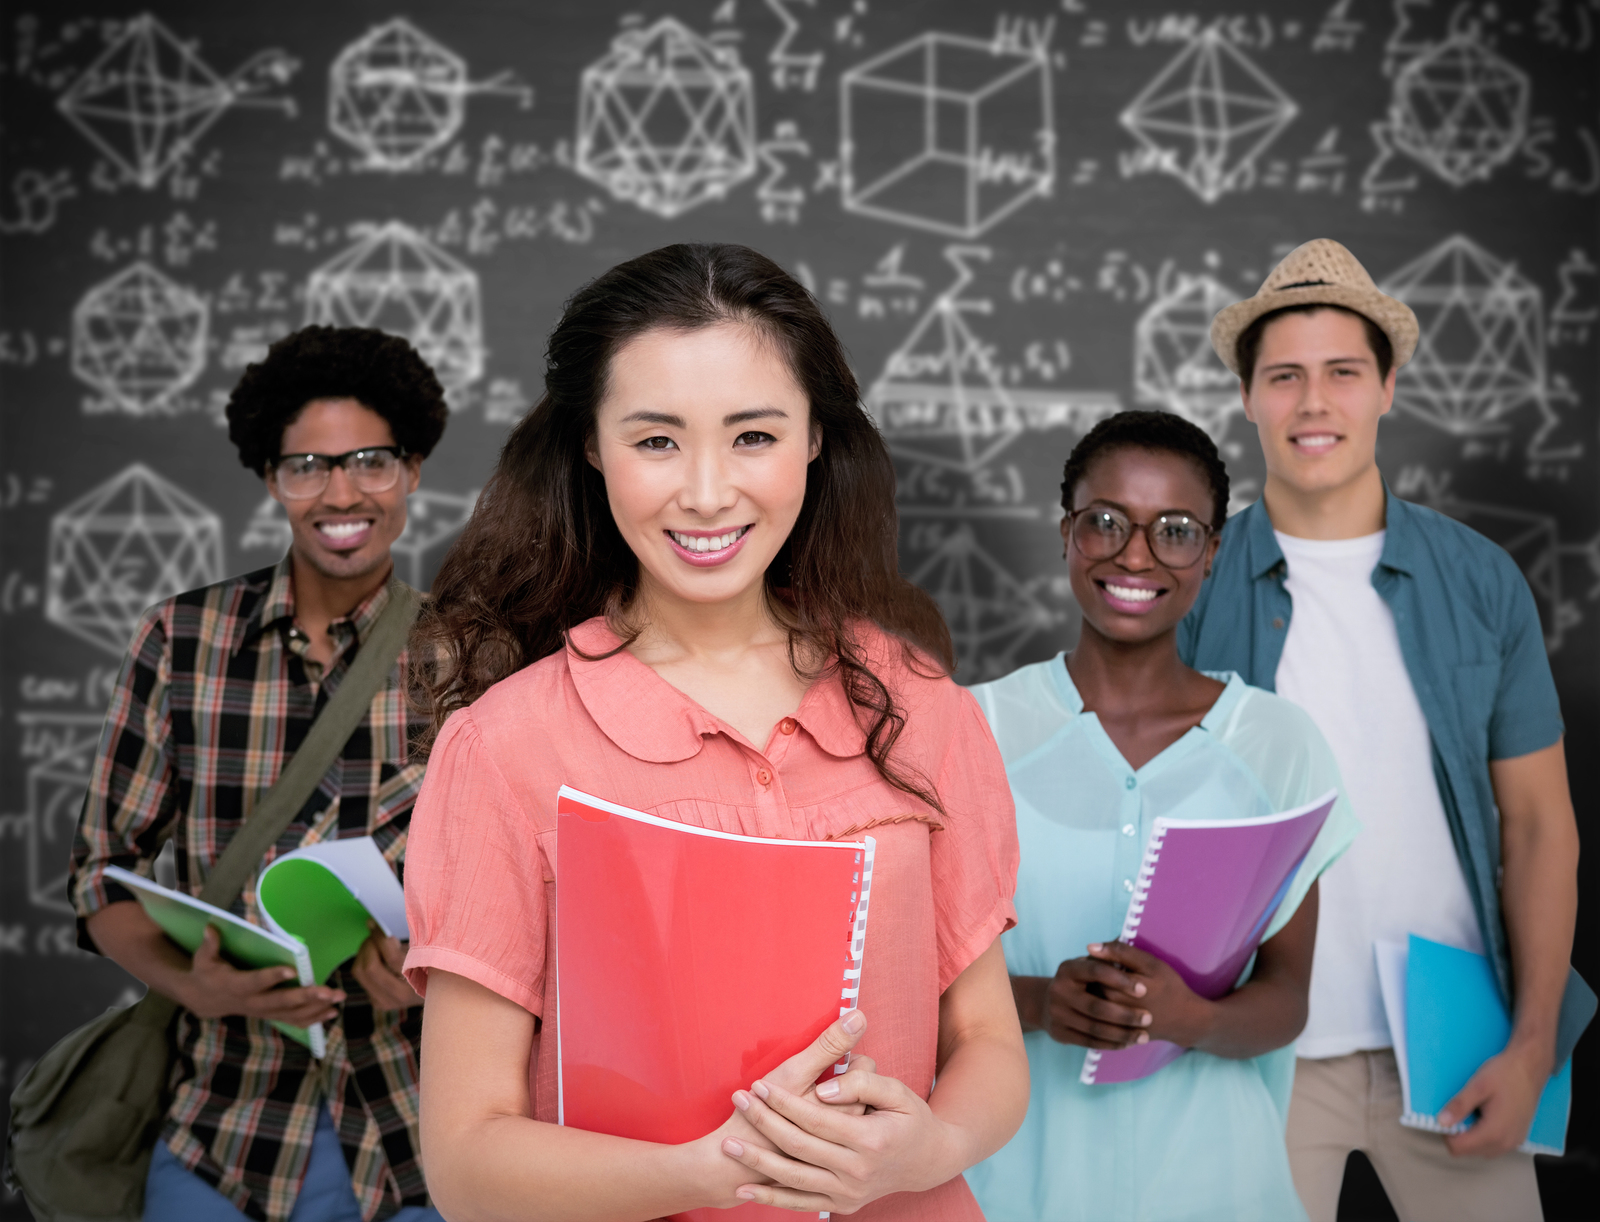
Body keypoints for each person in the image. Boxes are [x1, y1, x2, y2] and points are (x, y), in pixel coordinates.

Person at [398, 242, 1029, 1221]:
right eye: (655, 440)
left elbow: (989, 1044)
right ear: (590, 447)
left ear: (815, 438)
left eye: (752, 436)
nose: (704, 491)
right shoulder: (505, 747)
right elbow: (469, 1162)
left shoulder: (921, 703)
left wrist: (929, 1145)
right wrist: (710, 1170)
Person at [1182, 238, 1591, 1221]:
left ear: (1387, 388)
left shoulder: (1481, 579)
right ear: (1246, 398)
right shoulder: (1188, 584)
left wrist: (1532, 1045)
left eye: (1341, 373)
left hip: (1459, 1046)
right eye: (1283, 376)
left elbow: (1539, 822)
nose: (1312, 403)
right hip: (1252, 1057)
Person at [67, 325, 451, 1222]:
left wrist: (430, 962)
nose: (342, 493)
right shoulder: (180, 641)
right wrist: (191, 983)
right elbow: (97, 875)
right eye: (307, 466)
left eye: (370, 461)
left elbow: (524, 887)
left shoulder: (467, 655)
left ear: (414, 470)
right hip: (222, 1137)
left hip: (419, 1143)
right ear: (270, 480)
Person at [962, 411, 1359, 1221]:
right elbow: (906, 979)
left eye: (1175, 530)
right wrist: (1038, 1003)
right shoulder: (973, 732)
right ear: (1066, 533)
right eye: (1104, 522)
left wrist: (1188, 1018)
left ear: (1211, 552)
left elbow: (1286, 1000)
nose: (1135, 555)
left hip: (1219, 1188)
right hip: (1016, 1191)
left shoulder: (1279, 745)